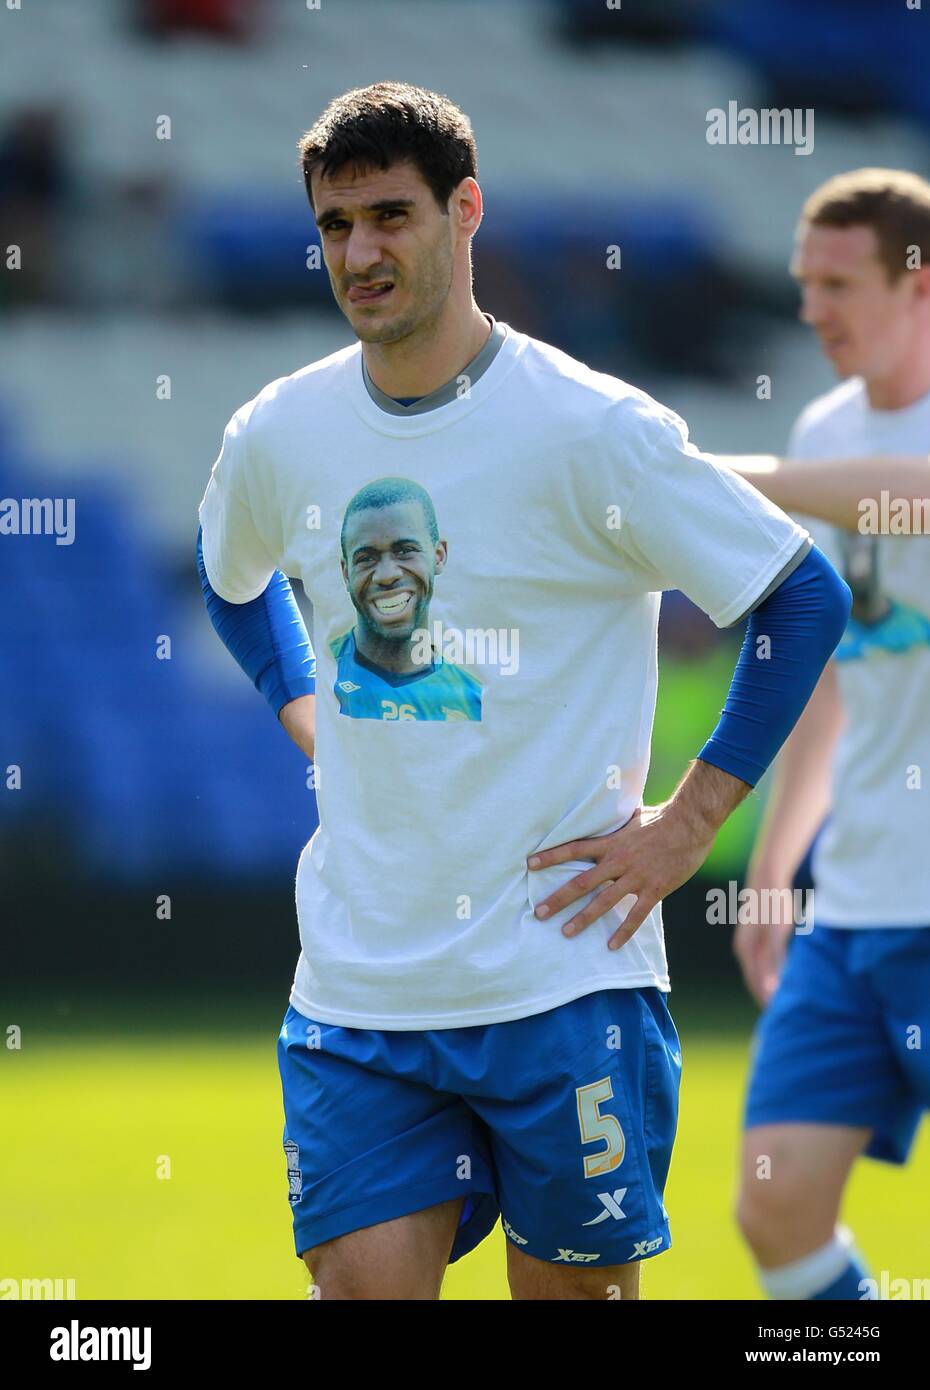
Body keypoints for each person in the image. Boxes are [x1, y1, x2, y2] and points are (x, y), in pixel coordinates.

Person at [197, 82, 849, 1300]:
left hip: (563, 977)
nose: (362, 252)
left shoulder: (592, 431)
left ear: (468, 211)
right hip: (362, 979)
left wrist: (690, 822)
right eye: (336, 226)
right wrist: (302, 712)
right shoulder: (277, 435)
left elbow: (800, 595)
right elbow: (232, 579)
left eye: (392, 216)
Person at [728, 169, 930, 1301]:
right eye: (803, 283)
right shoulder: (821, 429)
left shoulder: (814, 458)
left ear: (921, 285)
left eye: (838, 282)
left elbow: (914, 497)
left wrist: (729, 478)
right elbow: (831, 675)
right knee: (776, 1204)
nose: (811, 309)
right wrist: (771, 867)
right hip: (856, 904)